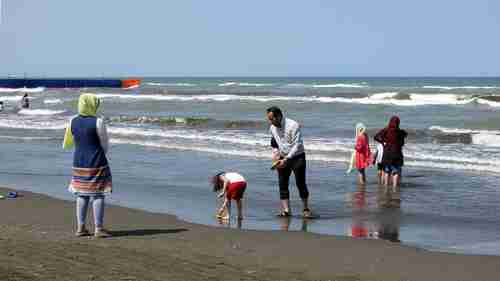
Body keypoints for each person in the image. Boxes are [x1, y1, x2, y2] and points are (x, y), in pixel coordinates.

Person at [62, 93, 112, 238]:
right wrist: (101, 155)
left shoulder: (72, 121)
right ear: (93, 105)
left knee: (81, 194)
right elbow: (104, 144)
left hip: (79, 162)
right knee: (98, 194)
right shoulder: (98, 121)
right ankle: (98, 228)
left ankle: (81, 227)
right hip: (96, 161)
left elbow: (67, 142)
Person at [266, 106, 313, 218]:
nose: (270, 121)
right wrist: (276, 154)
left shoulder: (293, 125)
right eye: (269, 119)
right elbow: (274, 143)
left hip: (297, 157)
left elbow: (297, 144)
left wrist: (287, 159)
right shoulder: (272, 127)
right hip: (282, 157)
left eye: (272, 119)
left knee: (300, 183)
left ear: (279, 116)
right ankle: (286, 211)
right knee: (282, 184)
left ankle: (306, 209)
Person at [374, 116, 408, 192]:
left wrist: (383, 142)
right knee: (395, 171)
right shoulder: (400, 132)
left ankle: (386, 187)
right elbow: (404, 138)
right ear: (398, 123)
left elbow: (376, 137)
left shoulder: (386, 130)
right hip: (396, 154)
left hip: (387, 153)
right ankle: (394, 189)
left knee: (387, 171)